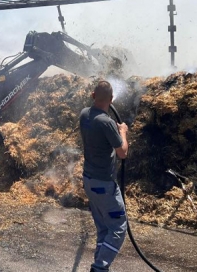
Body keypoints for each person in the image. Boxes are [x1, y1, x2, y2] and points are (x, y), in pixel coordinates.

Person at [79, 80, 129, 272]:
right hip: (104, 185)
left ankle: (101, 266)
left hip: (89, 181)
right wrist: (123, 132)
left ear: (93, 96)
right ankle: (99, 267)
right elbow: (122, 152)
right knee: (118, 227)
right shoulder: (106, 122)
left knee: (104, 229)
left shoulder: (85, 114)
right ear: (111, 99)